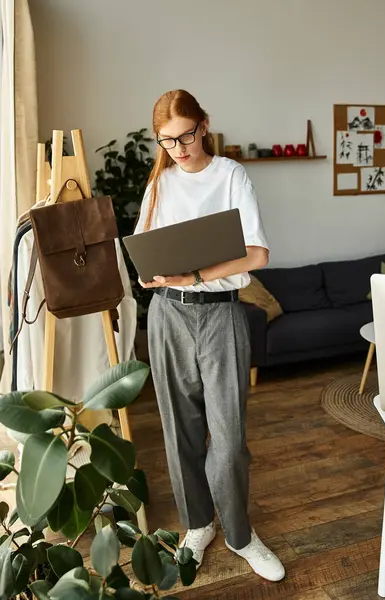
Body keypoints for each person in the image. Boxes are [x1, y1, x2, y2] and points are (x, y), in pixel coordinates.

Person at [134, 89, 285, 582]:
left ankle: (241, 534)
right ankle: (197, 526)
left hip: (221, 313)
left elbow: (257, 255)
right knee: (179, 432)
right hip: (167, 316)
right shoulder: (159, 184)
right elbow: (141, 258)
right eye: (166, 141)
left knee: (230, 437)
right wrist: (152, 275)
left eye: (185, 135)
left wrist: (195, 275)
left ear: (204, 124)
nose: (178, 148)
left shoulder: (231, 176)